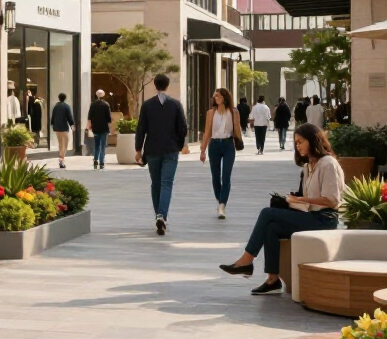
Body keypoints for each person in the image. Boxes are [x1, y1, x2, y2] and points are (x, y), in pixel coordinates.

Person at [219, 123, 344, 295]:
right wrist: (291, 201)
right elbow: (308, 202)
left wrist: (300, 199)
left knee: (267, 213)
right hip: (311, 216)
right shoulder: (308, 166)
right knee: (271, 227)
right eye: (295, 143)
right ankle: (273, 280)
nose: (297, 146)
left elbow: (332, 200)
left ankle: (247, 260)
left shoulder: (327, 163)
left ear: (312, 140)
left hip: (325, 219)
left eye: (300, 141)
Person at [134, 74, 188, 236]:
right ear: (167, 85)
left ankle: (159, 214)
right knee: (167, 183)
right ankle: (161, 215)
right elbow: (183, 128)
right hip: (170, 149)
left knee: (155, 183)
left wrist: (138, 150)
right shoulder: (175, 105)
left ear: (155, 86)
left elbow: (141, 128)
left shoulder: (147, 105)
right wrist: (179, 145)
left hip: (152, 150)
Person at [199, 88, 239, 219]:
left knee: (226, 176)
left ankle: (222, 205)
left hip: (228, 145)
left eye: (219, 96)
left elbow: (237, 130)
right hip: (214, 145)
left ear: (225, 98)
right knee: (215, 177)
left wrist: (240, 142)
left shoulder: (233, 112)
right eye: (215, 97)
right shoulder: (211, 113)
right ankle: (219, 199)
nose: (216, 98)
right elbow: (207, 131)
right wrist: (203, 150)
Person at [86, 89, 113, 170]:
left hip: (95, 127)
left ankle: (95, 160)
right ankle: (101, 162)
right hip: (104, 128)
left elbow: (89, 117)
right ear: (103, 95)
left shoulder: (93, 105)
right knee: (103, 145)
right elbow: (109, 118)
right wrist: (110, 127)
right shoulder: (106, 105)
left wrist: (89, 125)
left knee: (96, 144)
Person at [50, 93, 74, 169]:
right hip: (64, 127)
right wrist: (72, 125)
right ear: (65, 98)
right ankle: (61, 160)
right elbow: (69, 117)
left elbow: (53, 117)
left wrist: (53, 124)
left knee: (60, 143)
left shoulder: (56, 107)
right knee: (65, 144)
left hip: (57, 127)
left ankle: (61, 158)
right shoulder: (66, 107)